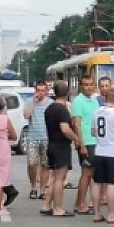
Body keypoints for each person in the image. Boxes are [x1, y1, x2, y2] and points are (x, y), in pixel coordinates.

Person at [40, 81, 81, 217]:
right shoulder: (62, 110)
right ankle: (58, 208)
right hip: (61, 146)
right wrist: (76, 138)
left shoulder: (49, 109)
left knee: (53, 177)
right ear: (67, 93)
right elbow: (65, 129)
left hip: (51, 144)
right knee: (60, 179)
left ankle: (46, 205)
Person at [90, 87, 114, 224]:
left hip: (99, 151)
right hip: (113, 152)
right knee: (112, 183)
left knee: (97, 183)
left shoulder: (97, 112)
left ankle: (97, 213)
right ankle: (111, 214)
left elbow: (93, 132)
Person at [72, 75, 101, 214]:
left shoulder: (94, 101)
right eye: (86, 84)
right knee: (86, 173)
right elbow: (77, 124)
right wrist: (81, 144)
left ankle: (79, 203)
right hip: (86, 141)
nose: (89, 87)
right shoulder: (78, 101)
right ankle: (81, 204)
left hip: (95, 141)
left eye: (91, 84)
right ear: (81, 86)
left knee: (91, 174)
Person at [24, 81, 52, 200]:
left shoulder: (50, 103)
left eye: (42, 90)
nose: (40, 93)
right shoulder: (30, 101)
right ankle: (33, 187)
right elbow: (26, 115)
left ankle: (43, 190)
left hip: (46, 137)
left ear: (46, 91)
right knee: (32, 163)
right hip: (32, 137)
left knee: (45, 164)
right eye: (38, 90)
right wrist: (33, 104)